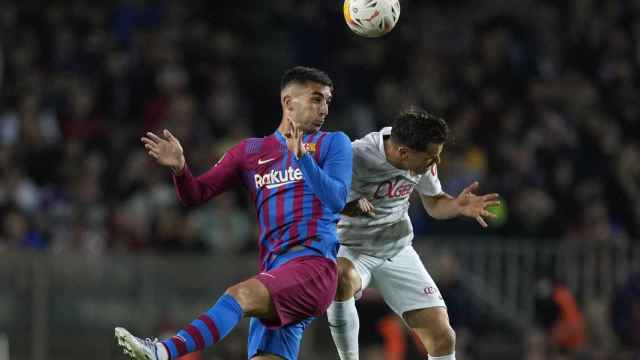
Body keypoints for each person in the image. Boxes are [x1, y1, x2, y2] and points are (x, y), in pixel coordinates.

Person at [114, 66, 353, 360]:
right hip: (275, 274)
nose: (325, 108)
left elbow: (337, 199)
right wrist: (180, 169)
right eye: (317, 99)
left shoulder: (333, 143)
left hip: (313, 266)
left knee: (238, 295)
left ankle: (163, 351)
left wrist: (301, 156)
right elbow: (195, 195)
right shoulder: (250, 152)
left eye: (328, 101)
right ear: (289, 103)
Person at [327, 108, 499, 360]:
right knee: (340, 277)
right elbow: (320, 199)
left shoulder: (420, 159)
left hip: (397, 250)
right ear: (403, 153)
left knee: (443, 337)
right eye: (431, 158)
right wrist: (348, 208)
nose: (436, 163)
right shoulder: (354, 156)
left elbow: (434, 203)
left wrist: (457, 206)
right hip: (352, 249)